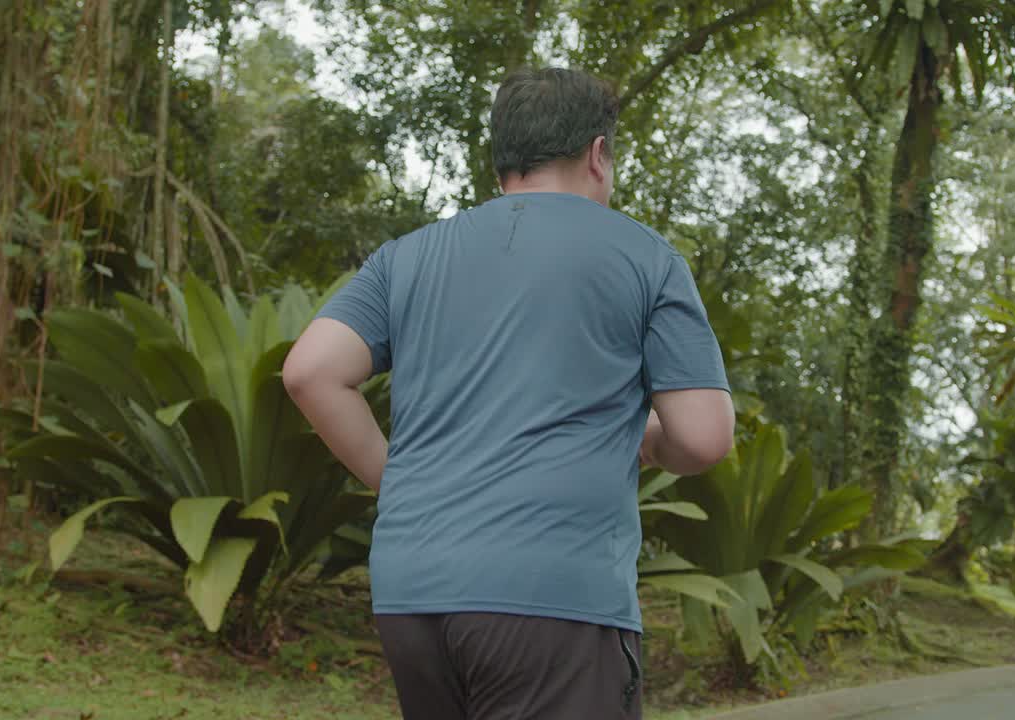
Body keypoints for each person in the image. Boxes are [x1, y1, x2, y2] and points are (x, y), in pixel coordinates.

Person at [283, 66, 735, 720]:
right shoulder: (645, 257)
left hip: (413, 594)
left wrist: (404, 481)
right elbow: (703, 436)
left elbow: (309, 372)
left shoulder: (407, 256)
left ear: (501, 160)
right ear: (599, 155)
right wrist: (646, 444)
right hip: (553, 600)